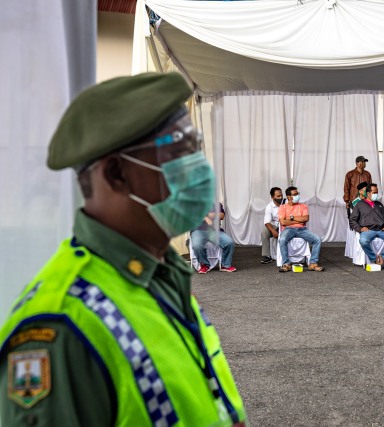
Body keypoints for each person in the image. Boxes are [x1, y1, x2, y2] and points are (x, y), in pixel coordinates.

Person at [0, 73, 246, 426]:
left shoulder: (161, 275)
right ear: (116, 173)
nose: (199, 170)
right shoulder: (62, 330)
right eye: (180, 152)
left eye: (197, 148)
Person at [349, 183, 384, 269]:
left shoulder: (379, 204)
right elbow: (352, 220)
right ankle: (374, 259)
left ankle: (383, 257)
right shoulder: (360, 204)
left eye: (377, 192)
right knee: (363, 241)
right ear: (368, 193)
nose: (376, 194)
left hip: (381, 230)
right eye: (374, 192)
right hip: (368, 231)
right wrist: (360, 228)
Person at [278, 187, 325, 272]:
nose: (297, 196)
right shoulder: (283, 207)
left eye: (297, 194)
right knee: (282, 239)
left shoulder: (303, 206)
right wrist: (298, 220)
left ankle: (313, 263)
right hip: (288, 229)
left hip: (302, 229)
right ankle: (286, 264)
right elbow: (283, 222)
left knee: (317, 239)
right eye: (295, 194)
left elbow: (306, 219)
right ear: (289, 197)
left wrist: (291, 218)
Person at [191, 203, 237, 273]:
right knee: (197, 245)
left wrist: (212, 215)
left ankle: (225, 265)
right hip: (198, 230)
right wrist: (207, 217)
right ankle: (204, 265)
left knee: (229, 242)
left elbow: (222, 216)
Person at [343, 155, 372, 220]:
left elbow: (370, 189)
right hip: (353, 201)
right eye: (362, 162)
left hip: (365, 201)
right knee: (353, 220)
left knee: (364, 219)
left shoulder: (367, 174)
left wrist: (370, 200)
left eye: (365, 162)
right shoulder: (350, 174)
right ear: (357, 163)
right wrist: (347, 201)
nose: (364, 163)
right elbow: (346, 188)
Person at [261, 187, 282, 264]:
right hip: (275, 226)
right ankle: (267, 256)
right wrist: (273, 231)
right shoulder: (269, 207)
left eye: (281, 195)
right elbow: (267, 222)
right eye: (278, 196)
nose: (281, 197)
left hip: (285, 225)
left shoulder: (286, 203)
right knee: (264, 232)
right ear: (272, 197)